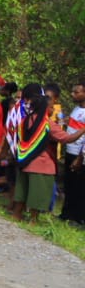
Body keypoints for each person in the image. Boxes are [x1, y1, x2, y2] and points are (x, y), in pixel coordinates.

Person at [9, 83, 85, 222]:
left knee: (23, 191)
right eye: (51, 108)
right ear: (44, 107)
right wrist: (83, 129)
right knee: (38, 194)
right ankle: (33, 220)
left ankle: (17, 214)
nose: (52, 110)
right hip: (43, 164)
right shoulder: (48, 124)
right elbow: (67, 138)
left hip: (25, 161)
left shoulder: (26, 119)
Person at [60, 80, 85, 224]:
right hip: (70, 150)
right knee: (69, 183)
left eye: (77, 92)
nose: (72, 94)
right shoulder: (76, 109)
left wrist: (80, 157)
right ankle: (66, 213)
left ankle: (78, 216)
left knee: (78, 186)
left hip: (79, 153)